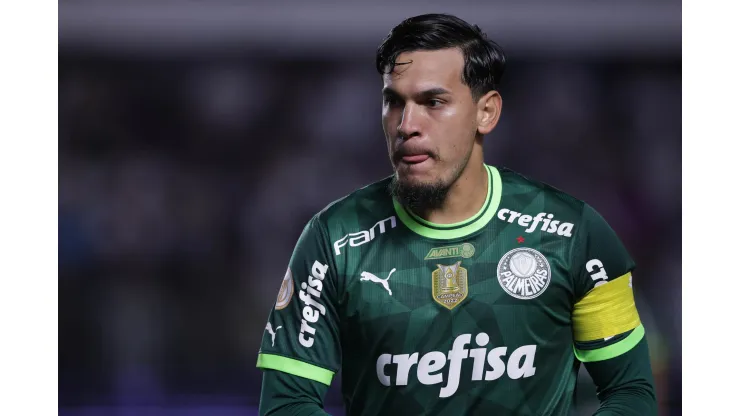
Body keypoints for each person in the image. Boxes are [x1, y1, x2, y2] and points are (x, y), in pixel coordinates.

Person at [256, 13, 657, 416]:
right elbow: (286, 404)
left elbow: (631, 392)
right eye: (394, 101)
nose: (407, 125)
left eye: (433, 102)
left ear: (487, 112)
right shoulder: (333, 239)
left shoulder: (574, 234)